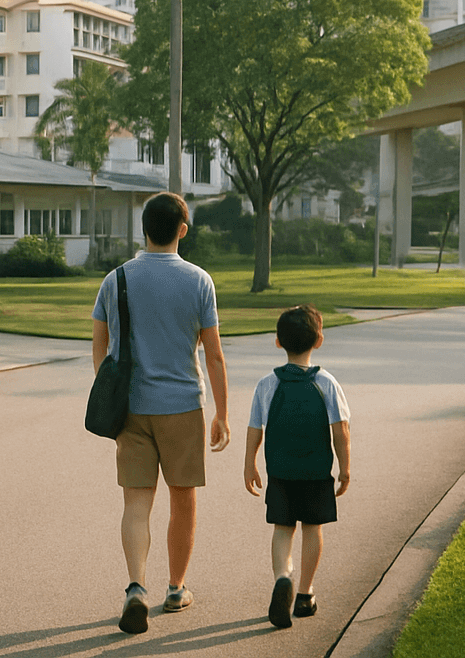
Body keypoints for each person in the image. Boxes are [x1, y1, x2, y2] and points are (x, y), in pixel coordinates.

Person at [92, 191, 230, 635]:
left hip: (131, 409)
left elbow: (101, 346)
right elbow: (214, 356)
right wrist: (222, 414)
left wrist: (111, 392)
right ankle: (176, 587)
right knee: (183, 499)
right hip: (183, 407)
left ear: (144, 229)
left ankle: (136, 587)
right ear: (182, 230)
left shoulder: (116, 279)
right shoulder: (199, 281)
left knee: (136, 502)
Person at [242, 304, 352, 629]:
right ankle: (304, 594)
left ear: (278, 341)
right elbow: (340, 430)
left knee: (282, 529)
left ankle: (282, 578)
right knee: (312, 529)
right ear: (319, 340)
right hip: (317, 473)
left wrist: (249, 464)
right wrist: (345, 469)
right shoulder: (327, 383)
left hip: (279, 473)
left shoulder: (267, 385)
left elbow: (254, 429)